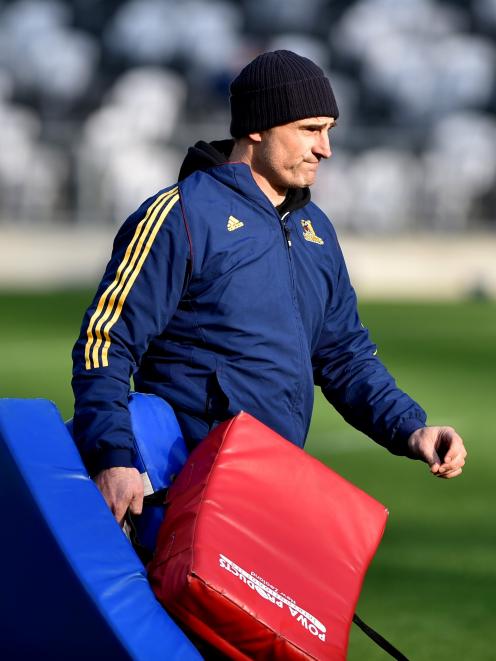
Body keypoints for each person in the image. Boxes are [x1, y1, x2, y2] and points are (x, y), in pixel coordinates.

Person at [72, 50, 467, 525]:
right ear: (257, 127)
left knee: (321, 603)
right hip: (180, 485)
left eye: (329, 131)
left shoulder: (315, 229)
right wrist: (114, 456)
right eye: (310, 129)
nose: (326, 149)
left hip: (269, 486)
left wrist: (411, 428)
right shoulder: (182, 216)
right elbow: (106, 342)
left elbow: (344, 354)